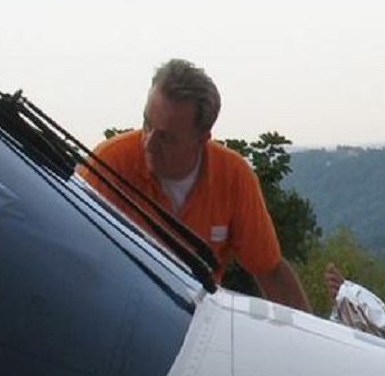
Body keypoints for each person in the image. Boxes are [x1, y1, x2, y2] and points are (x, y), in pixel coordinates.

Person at [84, 58, 308, 311]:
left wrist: (312, 343)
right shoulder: (107, 163)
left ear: (203, 138)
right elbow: (71, 248)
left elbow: (270, 269)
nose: (149, 143)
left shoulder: (233, 176)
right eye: (147, 124)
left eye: (166, 137)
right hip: (111, 310)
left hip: (194, 323)